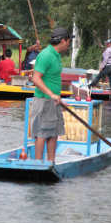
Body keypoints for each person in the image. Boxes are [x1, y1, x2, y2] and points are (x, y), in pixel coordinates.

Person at [30, 27, 74, 162]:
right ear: (62, 40)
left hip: (53, 101)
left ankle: (51, 163)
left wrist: (58, 98)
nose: (69, 44)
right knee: (42, 133)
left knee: (54, 133)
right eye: (68, 41)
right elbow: (36, 78)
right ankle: (38, 164)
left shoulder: (56, 55)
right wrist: (51, 95)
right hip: (44, 100)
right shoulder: (46, 55)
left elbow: (52, 79)